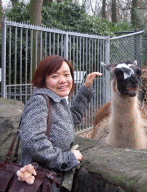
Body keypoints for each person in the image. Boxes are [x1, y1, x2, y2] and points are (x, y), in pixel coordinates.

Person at [19, 55, 102, 191]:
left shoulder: (56, 100)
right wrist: (67, 158)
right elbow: (34, 142)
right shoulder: (40, 101)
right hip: (38, 183)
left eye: (66, 74)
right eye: (54, 76)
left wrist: (86, 88)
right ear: (43, 80)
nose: (63, 80)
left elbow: (71, 119)